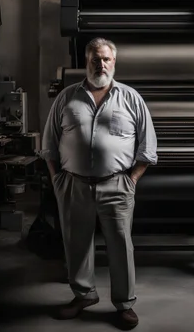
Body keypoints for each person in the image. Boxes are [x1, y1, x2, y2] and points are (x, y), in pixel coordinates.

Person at [41, 37, 157, 327]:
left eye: (106, 59)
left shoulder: (131, 98)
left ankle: (124, 303)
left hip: (117, 185)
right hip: (73, 185)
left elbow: (148, 147)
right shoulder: (66, 98)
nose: (101, 64)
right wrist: (57, 181)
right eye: (95, 58)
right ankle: (84, 295)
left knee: (120, 246)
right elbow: (49, 145)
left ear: (114, 62)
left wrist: (131, 180)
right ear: (86, 61)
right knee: (76, 244)